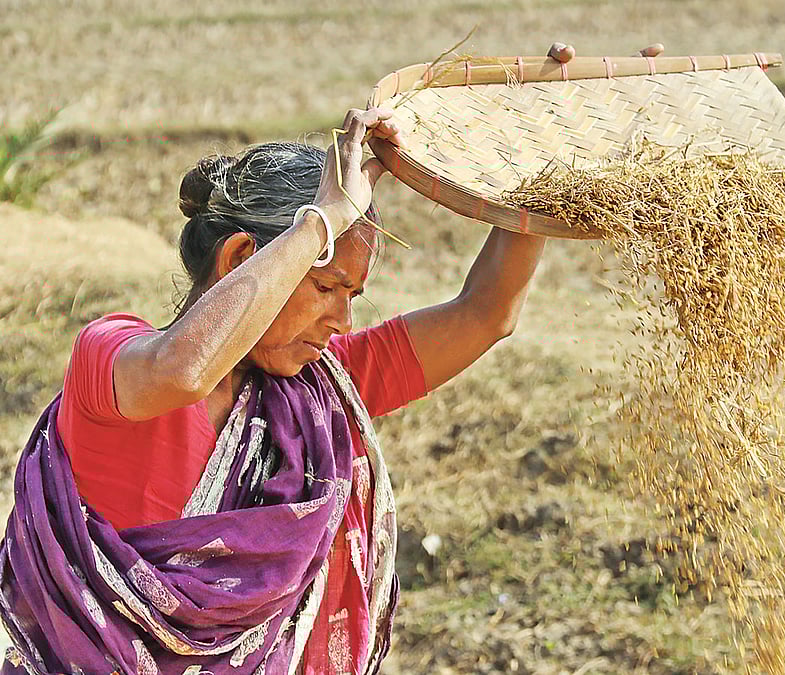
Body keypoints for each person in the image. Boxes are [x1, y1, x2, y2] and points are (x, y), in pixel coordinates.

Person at [0, 102, 547, 673]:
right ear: (240, 257)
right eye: (325, 285)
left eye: (352, 296)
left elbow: (486, 314)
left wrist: (545, 167)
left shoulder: (316, 391)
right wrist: (320, 221)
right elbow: (182, 370)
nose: (343, 322)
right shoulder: (110, 359)